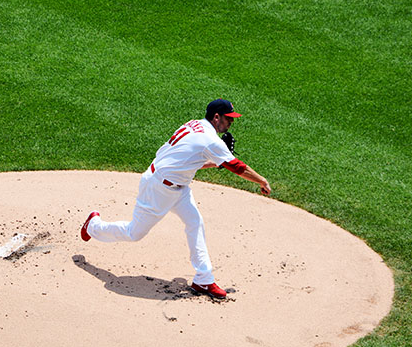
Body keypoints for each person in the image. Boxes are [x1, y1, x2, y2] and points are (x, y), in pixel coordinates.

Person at [80, 99, 271, 299]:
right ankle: (93, 225)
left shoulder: (194, 125)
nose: (231, 123)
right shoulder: (210, 139)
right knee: (134, 233)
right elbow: (238, 167)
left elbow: (190, 161)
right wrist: (262, 181)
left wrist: (217, 162)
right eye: (228, 119)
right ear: (216, 117)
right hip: (158, 188)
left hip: (178, 187)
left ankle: (203, 280)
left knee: (194, 222)